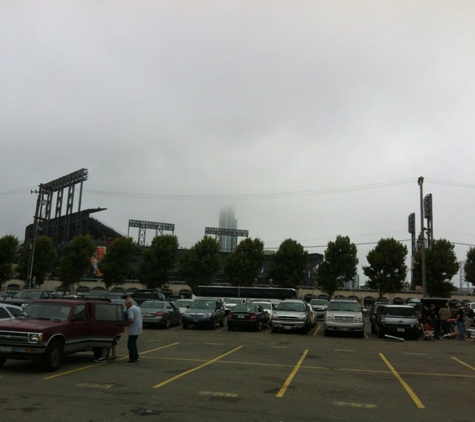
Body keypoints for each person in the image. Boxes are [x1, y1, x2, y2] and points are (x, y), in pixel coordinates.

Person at [125, 297, 142, 364]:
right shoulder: (137, 308)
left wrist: (125, 324)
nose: (125, 304)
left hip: (134, 328)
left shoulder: (131, 309)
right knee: (134, 343)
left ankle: (132, 359)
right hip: (138, 328)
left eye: (125, 303)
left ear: (129, 303)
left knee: (130, 344)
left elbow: (130, 319)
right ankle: (136, 356)